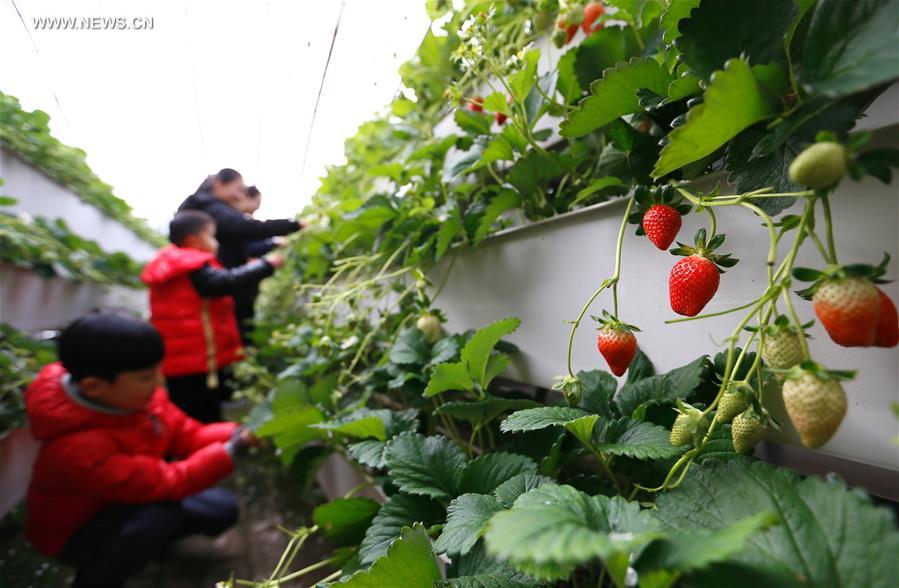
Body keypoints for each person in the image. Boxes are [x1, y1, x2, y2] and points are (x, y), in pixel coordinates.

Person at [25, 310, 259, 588]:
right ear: (94, 387)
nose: (160, 381)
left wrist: (233, 433)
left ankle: (146, 542)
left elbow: (188, 434)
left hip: (128, 498)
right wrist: (230, 451)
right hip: (75, 534)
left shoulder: (137, 400)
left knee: (220, 509)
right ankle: (96, 578)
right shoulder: (77, 447)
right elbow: (167, 481)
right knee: (160, 514)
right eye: (147, 376)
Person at [141, 210, 284, 422]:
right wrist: (265, 265)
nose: (216, 243)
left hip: (181, 356)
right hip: (195, 358)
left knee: (185, 408)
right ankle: (204, 447)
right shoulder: (190, 264)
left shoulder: (173, 262)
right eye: (212, 236)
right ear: (193, 240)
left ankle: (191, 443)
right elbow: (227, 282)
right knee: (201, 411)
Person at [179, 169, 301, 342]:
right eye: (238, 190)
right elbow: (244, 231)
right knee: (229, 331)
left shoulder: (205, 207)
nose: (239, 196)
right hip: (225, 295)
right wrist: (291, 227)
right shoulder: (209, 207)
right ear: (219, 183)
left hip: (226, 292)